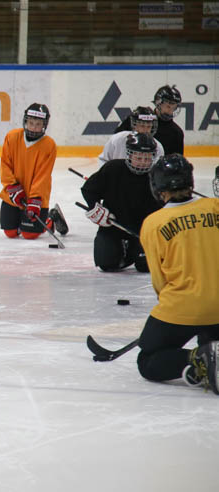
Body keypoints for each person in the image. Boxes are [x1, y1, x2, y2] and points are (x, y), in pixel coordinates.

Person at [136, 154, 219, 395]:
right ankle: (210, 353)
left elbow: (159, 280)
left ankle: (196, 359)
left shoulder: (153, 223)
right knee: (212, 339)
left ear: (158, 187)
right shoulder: (215, 206)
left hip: (183, 306)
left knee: (147, 360)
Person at [81, 133, 161, 272]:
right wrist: (95, 207)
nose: (143, 162)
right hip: (114, 227)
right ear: (129, 155)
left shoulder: (157, 176)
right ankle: (125, 250)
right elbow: (89, 190)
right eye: (138, 158)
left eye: (147, 158)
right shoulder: (113, 168)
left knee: (145, 266)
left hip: (144, 232)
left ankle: (133, 251)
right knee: (106, 263)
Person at [0, 103, 68, 240]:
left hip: (35, 197)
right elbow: (5, 164)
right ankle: (22, 222)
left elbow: (43, 176)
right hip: (13, 194)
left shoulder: (49, 145)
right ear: (25, 121)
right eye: (31, 123)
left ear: (44, 125)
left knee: (29, 234)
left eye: (38, 124)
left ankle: (51, 218)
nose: (34, 127)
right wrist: (12, 186)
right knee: (10, 233)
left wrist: (35, 198)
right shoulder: (12, 137)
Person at [114, 85, 184, 156]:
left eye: (174, 108)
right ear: (158, 103)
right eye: (168, 106)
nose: (170, 111)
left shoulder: (176, 133)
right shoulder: (137, 119)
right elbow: (116, 140)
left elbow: (176, 159)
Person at [100, 106, 164, 166]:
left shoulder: (158, 147)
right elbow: (104, 160)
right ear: (134, 126)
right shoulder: (118, 139)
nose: (146, 130)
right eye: (142, 126)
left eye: (149, 126)